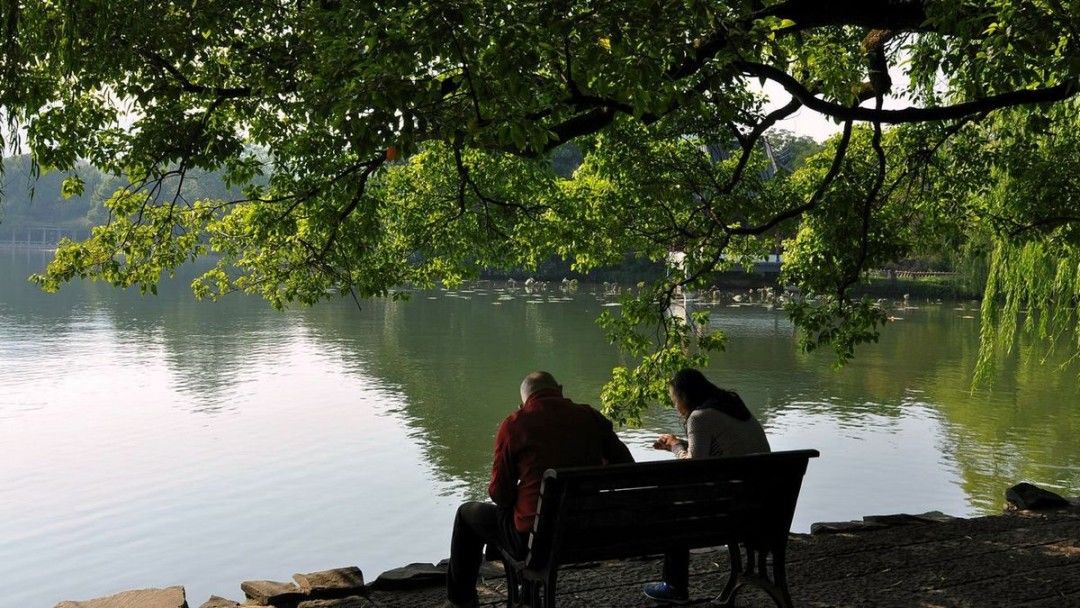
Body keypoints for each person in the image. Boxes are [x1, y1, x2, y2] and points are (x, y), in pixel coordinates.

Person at [445, 371, 634, 608]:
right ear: (561, 390)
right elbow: (627, 470)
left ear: (523, 402)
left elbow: (499, 493)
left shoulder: (515, 424)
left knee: (467, 514)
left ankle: (461, 601)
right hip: (589, 531)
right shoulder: (591, 417)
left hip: (535, 541)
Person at [643, 368, 771, 604]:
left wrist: (674, 446)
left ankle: (674, 586)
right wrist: (682, 443)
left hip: (727, 515)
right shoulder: (734, 409)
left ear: (684, 396)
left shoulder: (699, 417)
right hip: (764, 508)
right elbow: (719, 451)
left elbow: (694, 468)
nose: (675, 406)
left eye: (674, 400)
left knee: (673, 511)